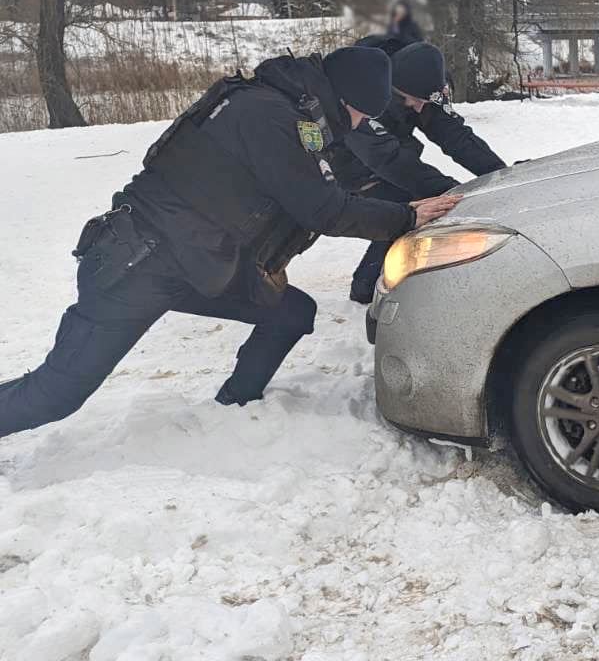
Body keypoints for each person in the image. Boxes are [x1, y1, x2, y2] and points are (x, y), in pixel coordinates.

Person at [0, 47, 461, 439]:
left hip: (195, 264)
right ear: (346, 99)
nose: (361, 124)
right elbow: (323, 208)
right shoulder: (270, 116)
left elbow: (319, 190)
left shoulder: (285, 109)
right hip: (135, 267)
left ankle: (234, 409)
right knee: (56, 394)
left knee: (292, 312)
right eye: (363, 113)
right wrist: (406, 216)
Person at [333, 38, 508, 303]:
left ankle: (374, 280)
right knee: (406, 209)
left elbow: (454, 135)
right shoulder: (363, 88)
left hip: (391, 149)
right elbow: (386, 159)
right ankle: (365, 287)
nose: (418, 107)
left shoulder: (426, 81)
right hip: (346, 162)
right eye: (411, 101)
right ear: (391, 90)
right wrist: (452, 192)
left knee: (417, 202)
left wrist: (499, 175)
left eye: (424, 101)